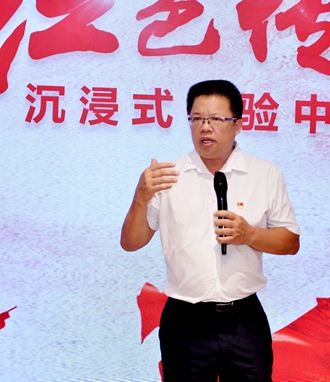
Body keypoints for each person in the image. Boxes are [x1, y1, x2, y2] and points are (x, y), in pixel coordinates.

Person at [121, 80, 300, 381]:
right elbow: (130, 242)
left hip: (244, 319)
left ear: (238, 125)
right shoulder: (167, 176)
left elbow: (290, 242)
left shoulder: (265, 174)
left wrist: (249, 235)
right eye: (197, 119)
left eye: (216, 119)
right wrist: (140, 197)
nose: (205, 127)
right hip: (185, 321)